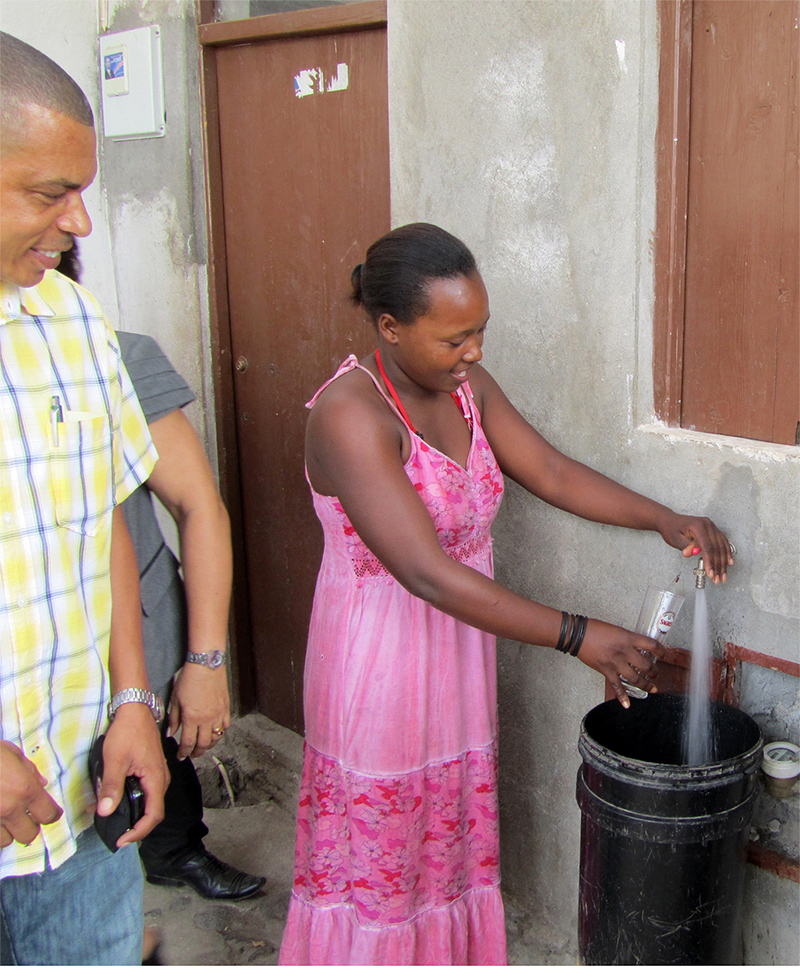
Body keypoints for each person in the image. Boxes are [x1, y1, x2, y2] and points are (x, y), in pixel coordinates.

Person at [278, 223, 734, 966]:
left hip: (456, 652)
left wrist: (661, 517)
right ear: (389, 328)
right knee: (385, 854)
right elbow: (425, 572)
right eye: (454, 337)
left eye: (480, 331)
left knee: (443, 842)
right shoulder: (350, 415)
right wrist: (578, 635)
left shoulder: (468, 390)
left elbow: (549, 472)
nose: (474, 352)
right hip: (380, 666)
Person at [0, 32, 168, 965]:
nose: (80, 222)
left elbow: (102, 521)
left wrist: (134, 699)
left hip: (78, 805)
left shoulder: (73, 322)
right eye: (48, 192)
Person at [117, 330, 266, 902]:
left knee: (159, 745)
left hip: (138, 626)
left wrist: (205, 662)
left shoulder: (118, 357)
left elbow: (196, 503)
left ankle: (175, 853)